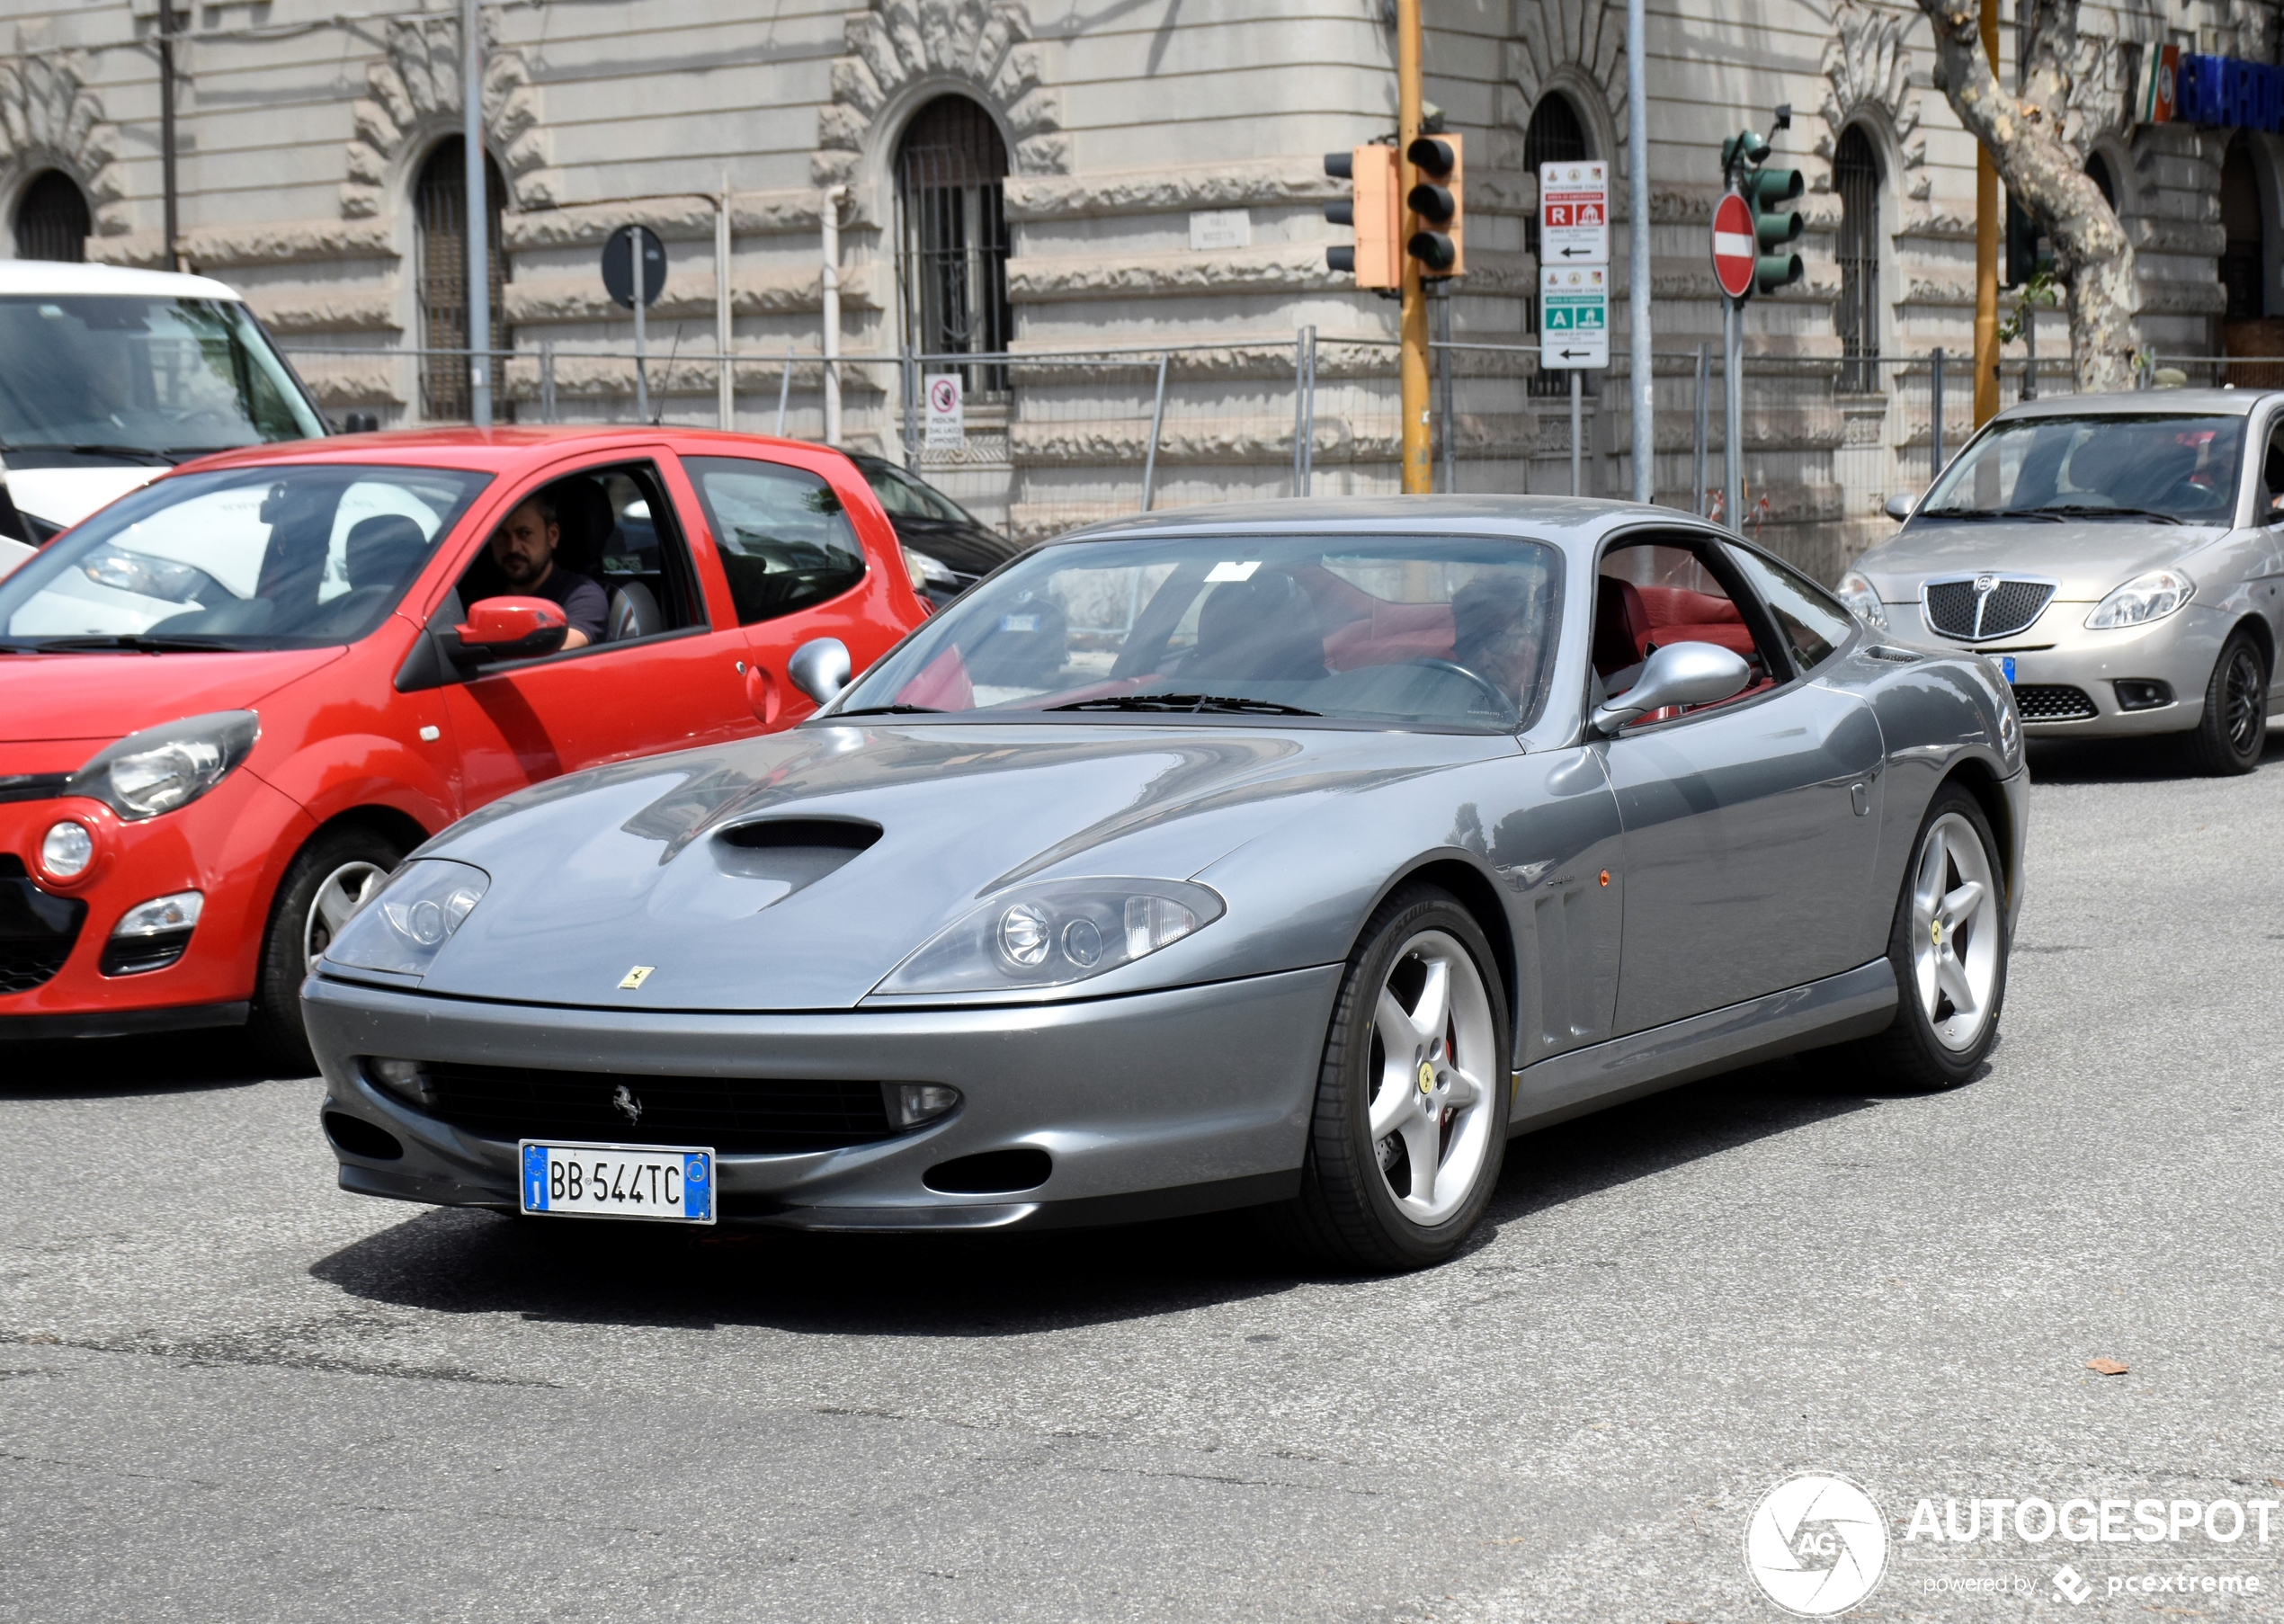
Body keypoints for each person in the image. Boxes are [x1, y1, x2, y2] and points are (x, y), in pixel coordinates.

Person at [486, 493, 606, 647]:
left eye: (525, 533)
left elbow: (555, 656)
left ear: (553, 536)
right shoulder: (478, 593)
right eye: (501, 535)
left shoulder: (582, 596)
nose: (512, 547)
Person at [1450, 569, 1550, 709]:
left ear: (1536, 643)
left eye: (1498, 641)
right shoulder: (1444, 705)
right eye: (1469, 646)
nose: (1483, 662)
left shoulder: (1562, 709)